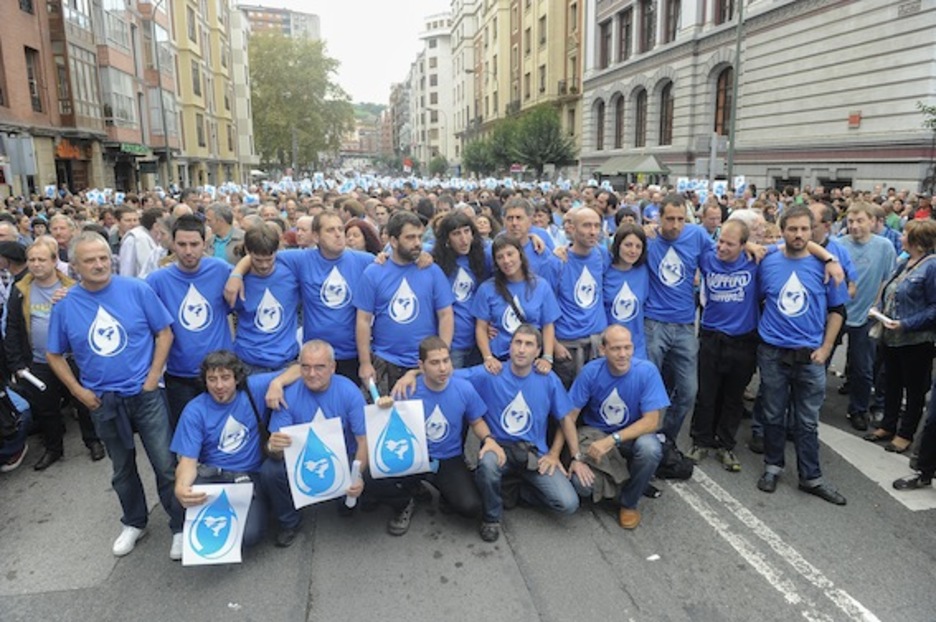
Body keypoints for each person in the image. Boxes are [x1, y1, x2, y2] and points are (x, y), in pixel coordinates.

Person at [46, 232, 183, 558]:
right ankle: (134, 522)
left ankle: (180, 525)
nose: (99, 265)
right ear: (75, 266)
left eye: (104, 258)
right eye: (90, 260)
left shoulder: (137, 289)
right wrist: (78, 391)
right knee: (122, 467)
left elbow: (164, 332)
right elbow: (54, 354)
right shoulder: (65, 304)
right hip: (102, 402)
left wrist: (153, 378)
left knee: (165, 464)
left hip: (146, 395)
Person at [422, 324, 582, 543]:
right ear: (510, 346)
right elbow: (444, 373)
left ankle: (517, 490)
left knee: (568, 503)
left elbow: (565, 419)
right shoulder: (490, 372)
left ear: (538, 352)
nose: (522, 350)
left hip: (534, 454)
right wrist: (413, 374)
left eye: (528, 345)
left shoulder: (548, 379)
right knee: (487, 466)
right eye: (517, 343)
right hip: (498, 448)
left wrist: (560, 454)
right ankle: (491, 517)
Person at [755, 205, 848, 505]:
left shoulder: (826, 266)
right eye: (792, 229)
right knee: (772, 413)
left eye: (804, 229)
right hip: (772, 352)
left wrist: (826, 348)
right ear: (782, 231)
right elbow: (759, 299)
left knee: (807, 421)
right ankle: (773, 466)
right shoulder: (767, 261)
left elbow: (837, 311)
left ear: (812, 232)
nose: (798, 234)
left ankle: (812, 477)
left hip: (810, 356)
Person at [228, 210, 375, 381]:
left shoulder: (364, 260)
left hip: (352, 354)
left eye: (340, 229)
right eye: (330, 230)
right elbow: (261, 255)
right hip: (312, 357)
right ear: (316, 236)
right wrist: (237, 274)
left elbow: (389, 266)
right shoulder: (300, 259)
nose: (338, 235)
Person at [5, 237, 104, 469]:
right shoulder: (20, 291)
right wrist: (17, 364)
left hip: (72, 359)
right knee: (46, 409)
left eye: (41, 259)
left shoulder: (73, 288)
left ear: (53, 261)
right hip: (38, 362)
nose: (36, 264)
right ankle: (53, 449)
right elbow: (12, 328)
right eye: (31, 260)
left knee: (82, 401)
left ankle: (93, 441)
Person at [260, 341, 367, 547]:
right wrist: (273, 447)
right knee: (270, 471)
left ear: (333, 367)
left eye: (320, 367)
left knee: (365, 479)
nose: (311, 374)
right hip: (302, 458)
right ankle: (289, 522)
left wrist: (358, 475)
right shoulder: (288, 394)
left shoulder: (349, 391)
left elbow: (364, 441)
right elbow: (275, 450)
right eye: (306, 367)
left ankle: (348, 497)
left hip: (344, 457)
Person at [382, 336, 499, 519]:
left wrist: (489, 440)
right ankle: (407, 498)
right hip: (412, 457)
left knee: (471, 507)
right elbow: (391, 428)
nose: (443, 368)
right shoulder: (406, 390)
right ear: (421, 366)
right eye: (435, 363)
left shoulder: (464, 388)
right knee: (371, 479)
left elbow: (476, 421)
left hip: (448, 458)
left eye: (446, 361)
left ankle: (445, 490)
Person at [565, 325, 666, 529]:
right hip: (595, 434)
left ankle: (628, 502)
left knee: (650, 449)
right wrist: (575, 457)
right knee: (580, 486)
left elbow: (652, 421)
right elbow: (569, 416)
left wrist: (612, 440)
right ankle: (627, 482)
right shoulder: (590, 372)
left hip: (630, 438)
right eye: (616, 348)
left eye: (627, 348)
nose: (623, 354)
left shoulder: (647, 371)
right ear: (603, 350)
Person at [171, 351, 269, 548]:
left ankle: (263, 510)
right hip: (212, 474)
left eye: (225, 378)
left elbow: (295, 370)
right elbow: (188, 461)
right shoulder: (194, 410)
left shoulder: (254, 389)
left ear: (237, 378)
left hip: (248, 474)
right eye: (212, 379)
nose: (219, 386)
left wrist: (276, 384)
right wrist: (181, 487)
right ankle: (184, 530)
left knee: (248, 536)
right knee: (178, 498)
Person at [147, 215, 234, 428]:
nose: (188, 251)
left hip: (220, 372)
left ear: (204, 243)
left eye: (194, 244)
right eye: (182, 244)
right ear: (172, 244)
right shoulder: (157, 281)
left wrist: (239, 272)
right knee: (189, 433)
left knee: (225, 432)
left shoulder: (221, 270)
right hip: (179, 376)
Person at [687, 220, 760, 471]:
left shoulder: (755, 261)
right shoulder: (708, 257)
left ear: (743, 245)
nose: (722, 247)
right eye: (720, 241)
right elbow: (686, 236)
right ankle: (700, 441)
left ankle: (726, 445)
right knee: (706, 393)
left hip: (743, 340)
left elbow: (794, 247)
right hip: (711, 336)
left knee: (733, 397)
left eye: (730, 244)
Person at [355, 211, 454, 393]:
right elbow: (363, 320)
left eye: (419, 237)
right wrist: (365, 363)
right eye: (410, 237)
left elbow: (446, 315)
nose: (417, 243)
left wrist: (441, 355)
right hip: (384, 362)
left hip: (425, 364)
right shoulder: (373, 273)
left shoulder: (432, 271)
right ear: (393, 241)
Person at [643, 194, 714, 446]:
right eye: (669, 219)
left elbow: (725, 251)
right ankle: (642, 441)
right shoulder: (648, 239)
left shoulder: (696, 235)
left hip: (685, 325)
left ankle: (666, 438)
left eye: (680, 219)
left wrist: (749, 245)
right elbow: (614, 248)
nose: (675, 225)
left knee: (688, 391)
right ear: (658, 218)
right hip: (653, 324)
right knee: (648, 389)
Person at [864, 219, 936, 453]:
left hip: (915, 339)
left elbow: (934, 308)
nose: (901, 237)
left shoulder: (931, 266)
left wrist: (906, 323)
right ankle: (888, 425)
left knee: (914, 388)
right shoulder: (904, 261)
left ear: (917, 241)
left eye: (905, 234)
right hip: (891, 336)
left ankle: (905, 433)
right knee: (891, 382)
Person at [838, 202, 896, 431]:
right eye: (851, 221)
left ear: (872, 221)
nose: (854, 226)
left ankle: (858, 409)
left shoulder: (884, 247)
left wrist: (876, 308)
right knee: (818, 362)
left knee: (863, 368)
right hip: (838, 313)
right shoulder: (839, 245)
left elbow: (887, 280)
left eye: (860, 221)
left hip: (866, 316)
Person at [471, 236, 559, 374]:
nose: (506, 261)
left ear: (520, 254)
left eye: (510, 254)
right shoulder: (486, 289)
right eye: (500, 257)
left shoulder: (541, 286)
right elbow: (481, 328)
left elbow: (548, 325)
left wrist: (547, 358)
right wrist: (488, 357)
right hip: (499, 361)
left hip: (531, 362)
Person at [552, 207, 609, 388]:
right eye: (586, 226)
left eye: (596, 226)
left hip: (596, 344)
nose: (593, 231)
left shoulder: (602, 255)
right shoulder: (557, 261)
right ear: (572, 229)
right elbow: (544, 308)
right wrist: (553, 344)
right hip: (567, 347)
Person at [231, 225, 300, 374]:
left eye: (269, 259)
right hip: (249, 362)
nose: (264, 265)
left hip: (287, 361)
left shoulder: (291, 272)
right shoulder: (238, 282)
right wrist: (237, 274)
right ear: (248, 253)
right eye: (258, 260)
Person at [432, 212, 491, 368]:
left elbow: (510, 246)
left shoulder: (484, 257)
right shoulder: (436, 262)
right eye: (456, 234)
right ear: (447, 239)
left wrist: (534, 237)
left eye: (467, 231)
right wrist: (383, 256)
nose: (464, 239)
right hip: (451, 343)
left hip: (479, 340)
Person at [603, 224, 649, 359]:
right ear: (617, 245)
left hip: (636, 345)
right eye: (628, 245)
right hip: (609, 346)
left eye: (638, 246)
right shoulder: (605, 270)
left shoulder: (643, 271)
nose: (633, 251)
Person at [118, 207, 164, 278]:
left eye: (135, 220)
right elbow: (126, 271)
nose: (132, 223)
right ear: (156, 226)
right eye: (128, 220)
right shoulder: (133, 239)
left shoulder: (159, 239)